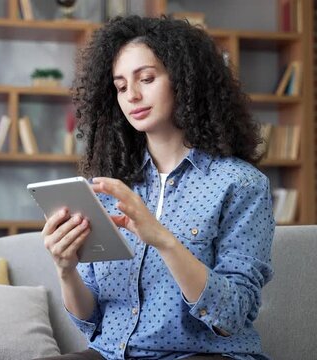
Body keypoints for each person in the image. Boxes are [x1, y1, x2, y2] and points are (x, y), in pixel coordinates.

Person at [38, 15, 275, 360]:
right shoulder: (106, 188)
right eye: (120, 86)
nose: (132, 95)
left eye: (146, 78)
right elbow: (91, 320)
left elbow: (232, 315)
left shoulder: (240, 184)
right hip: (112, 353)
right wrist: (65, 268)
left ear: (184, 81)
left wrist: (163, 239)